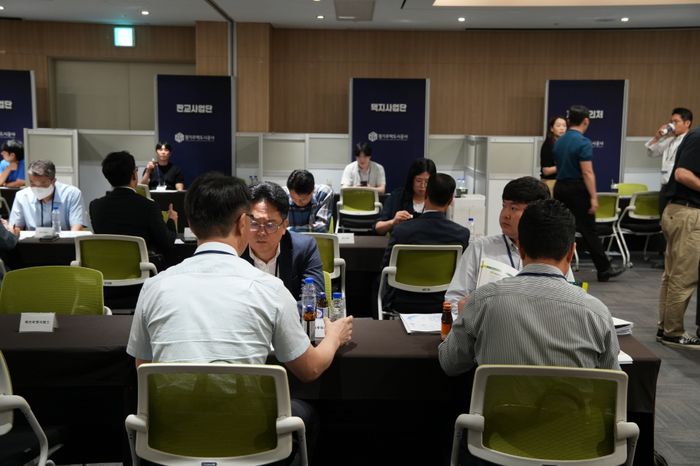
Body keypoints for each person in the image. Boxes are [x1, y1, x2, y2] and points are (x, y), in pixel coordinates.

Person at [127, 172, 354, 463]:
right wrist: (333, 336)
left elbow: (144, 368)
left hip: (171, 440)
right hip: (249, 440)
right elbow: (309, 370)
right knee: (305, 415)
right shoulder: (271, 289)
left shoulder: (153, 286)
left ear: (191, 224)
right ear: (242, 223)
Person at [439, 199, 621, 375]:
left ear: (521, 249)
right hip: (568, 398)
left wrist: (463, 316)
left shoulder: (481, 301)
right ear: (571, 253)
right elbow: (612, 381)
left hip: (501, 398)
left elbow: (450, 363)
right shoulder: (597, 313)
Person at [445, 176, 554, 317]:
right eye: (504, 206)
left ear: (536, 213)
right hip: (487, 326)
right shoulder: (480, 248)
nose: (505, 215)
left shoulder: (551, 251)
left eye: (514, 208)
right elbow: (454, 300)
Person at [381, 173, 470, 314]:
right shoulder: (461, 234)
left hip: (403, 302)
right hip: (443, 302)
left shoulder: (401, 231)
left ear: (426, 195)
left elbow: (386, 267)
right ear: (451, 200)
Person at [553, 104, 623, 282]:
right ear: (586, 121)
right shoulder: (583, 142)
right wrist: (593, 197)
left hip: (560, 187)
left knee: (563, 228)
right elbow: (587, 172)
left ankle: (558, 268)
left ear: (569, 120)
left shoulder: (559, 141)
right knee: (589, 230)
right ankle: (604, 269)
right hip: (577, 189)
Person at [241, 181, 325, 301]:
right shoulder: (233, 252)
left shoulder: (304, 249)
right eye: (254, 223)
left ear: (285, 226)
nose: (261, 232)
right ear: (243, 223)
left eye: (270, 225)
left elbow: (313, 301)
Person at [657, 127, 700, 348]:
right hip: (689, 214)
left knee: (673, 275)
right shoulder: (698, 137)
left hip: (679, 212)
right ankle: (673, 332)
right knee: (683, 276)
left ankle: (665, 327)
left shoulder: (694, 136)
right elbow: (682, 174)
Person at [90, 151, 177, 257]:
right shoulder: (149, 206)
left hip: (105, 266)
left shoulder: (95, 206)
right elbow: (166, 243)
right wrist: (171, 220)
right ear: (133, 175)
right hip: (141, 266)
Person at [10, 160, 86, 233]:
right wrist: (13, 230)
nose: (37, 188)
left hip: (64, 240)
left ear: (53, 181)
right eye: (33, 183)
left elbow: (77, 229)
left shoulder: (72, 194)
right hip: (32, 240)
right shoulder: (21, 196)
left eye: (43, 184)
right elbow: (15, 228)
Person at [646, 107, 693, 212]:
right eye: (671, 122)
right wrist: (657, 137)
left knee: (675, 216)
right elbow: (651, 153)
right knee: (663, 216)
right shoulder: (670, 140)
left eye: (676, 122)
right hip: (665, 186)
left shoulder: (691, 141)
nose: (672, 125)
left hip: (679, 188)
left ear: (687, 123)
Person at [374, 158, 436, 235]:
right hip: (402, 241)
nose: (422, 186)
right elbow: (378, 228)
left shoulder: (436, 199)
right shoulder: (397, 196)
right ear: (412, 179)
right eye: (418, 181)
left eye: (427, 182)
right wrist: (393, 222)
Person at [539, 116, 567, 194]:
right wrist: (566, 166)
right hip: (550, 183)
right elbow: (546, 171)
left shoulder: (564, 144)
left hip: (562, 182)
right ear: (551, 128)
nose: (562, 128)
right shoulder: (548, 145)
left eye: (564, 126)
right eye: (558, 125)